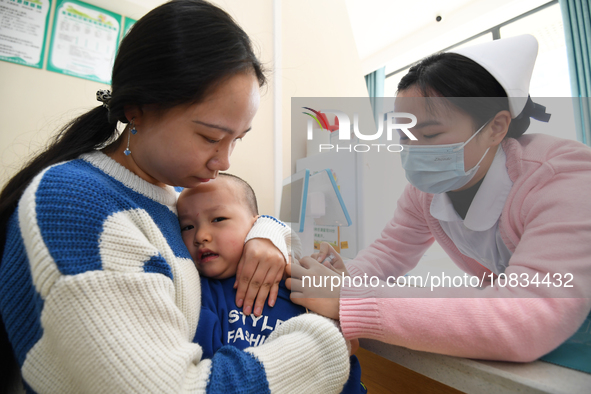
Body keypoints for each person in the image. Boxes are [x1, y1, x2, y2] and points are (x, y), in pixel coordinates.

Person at [0, 1, 350, 392]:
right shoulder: (75, 203)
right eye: (210, 137)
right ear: (138, 110)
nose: (223, 160)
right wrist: (332, 334)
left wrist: (265, 233)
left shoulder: (177, 193)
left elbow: (252, 218)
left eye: (237, 139)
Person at [289, 34, 591, 363]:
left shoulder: (563, 178)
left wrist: (349, 300)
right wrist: (343, 278)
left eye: (430, 135)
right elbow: (389, 252)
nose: (413, 150)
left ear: (496, 127)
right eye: (404, 135)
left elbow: (525, 318)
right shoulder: (425, 192)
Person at [176, 173, 366, 393]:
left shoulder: (293, 275)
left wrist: (341, 288)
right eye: (187, 227)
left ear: (255, 227)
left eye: (218, 219)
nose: (200, 235)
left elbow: (351, 341)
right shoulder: (198, 295)